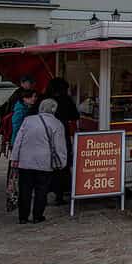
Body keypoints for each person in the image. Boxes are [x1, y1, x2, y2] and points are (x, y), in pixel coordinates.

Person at [10, 98, 68, 224]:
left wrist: (14, 158)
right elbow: (59, 146)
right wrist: (62, 162)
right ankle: (37, 216)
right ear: (54, 109)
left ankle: (23, 217)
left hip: (25, 161)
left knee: (25, 190)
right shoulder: (57, 124)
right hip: (44, 162)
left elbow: (18, 141)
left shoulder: (28, 120)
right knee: (41, 190)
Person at [44, 77, 79, 205]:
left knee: (47, 164)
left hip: (46, 134)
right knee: (61, 163)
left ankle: (44, 193)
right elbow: (75, 115)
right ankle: (59, 195)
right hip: (62, 134)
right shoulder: (66, 99)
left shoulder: (44, 99)